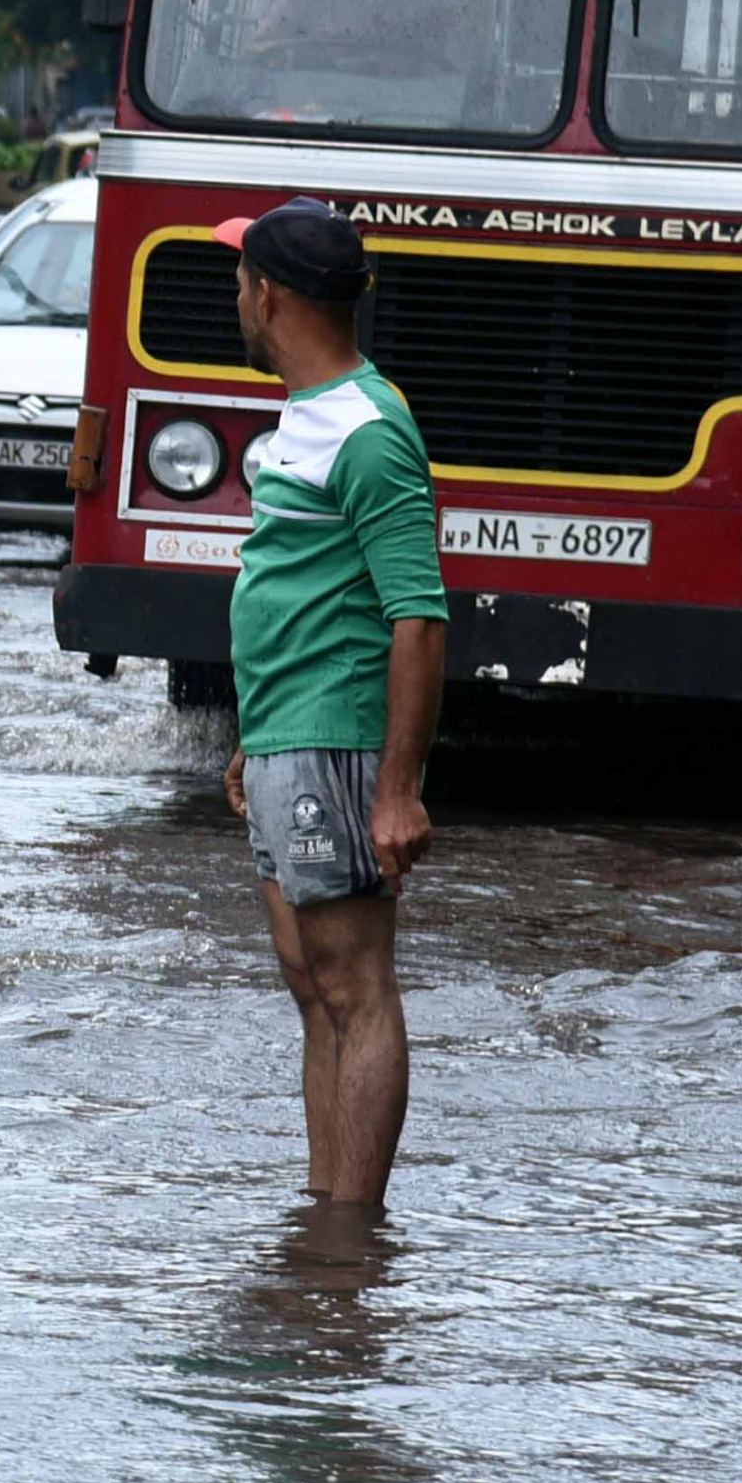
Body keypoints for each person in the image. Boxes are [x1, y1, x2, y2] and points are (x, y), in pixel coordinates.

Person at [213, 197, 444, 1221]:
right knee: (311, 985)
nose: (235, 298)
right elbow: (295, 592)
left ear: (268, 295)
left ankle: (354, 1234)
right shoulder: (303, 421)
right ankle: (324, 1216)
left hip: (337, 743)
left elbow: (419, 616)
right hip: (284, 737)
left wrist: (397, 790)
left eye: (238, 280)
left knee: (354, 986)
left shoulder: (368, 431)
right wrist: (248, 738)